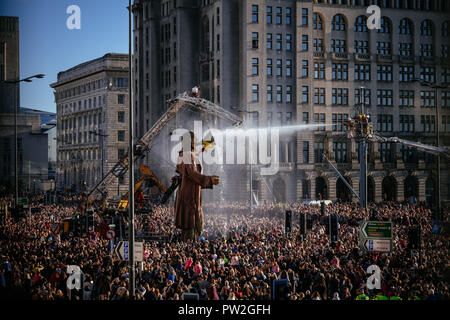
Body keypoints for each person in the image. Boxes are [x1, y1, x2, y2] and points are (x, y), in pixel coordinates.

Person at [174, 131, 220, 241]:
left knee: (192, 229)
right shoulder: (187, 154)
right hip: (190, 198)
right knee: (193, 228)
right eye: (194, 140)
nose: (196, 142)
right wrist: (209, 180)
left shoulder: (184, 154)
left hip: (188, 195)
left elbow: (183, 175)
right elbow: (192, 174)